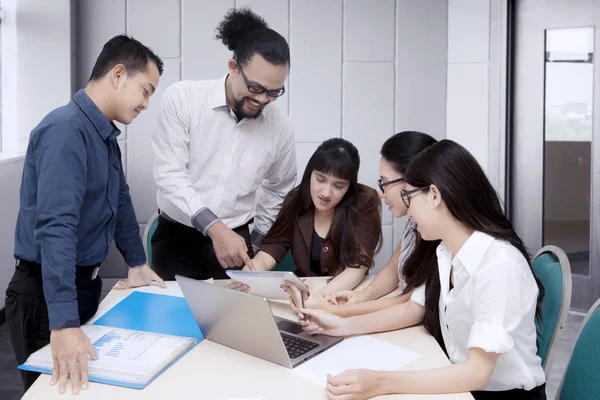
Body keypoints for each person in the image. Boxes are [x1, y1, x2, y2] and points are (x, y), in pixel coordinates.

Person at [299, 140, 547, 400]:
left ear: (435, 195)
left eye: (409, 197)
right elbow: (412, 307)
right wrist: (337, 326)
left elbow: (478, 373)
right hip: (461, 386)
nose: (409, 210)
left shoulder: (499, 265)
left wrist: (380, 382)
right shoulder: (446, 252)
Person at [5, 35, 167, 396]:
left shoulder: (104, 136)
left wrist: (137, 262)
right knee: (55, 393)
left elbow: (119, 201)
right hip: (47, 296)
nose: (146, 103)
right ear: (119, 74)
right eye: (145, 90)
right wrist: (62, 322)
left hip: (81, 288)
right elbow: (57, 227)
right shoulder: (65, 130)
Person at [151, 6, 296, 281]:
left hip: (237, 246)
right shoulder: (183, 99)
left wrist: (255, 242)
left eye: (274, 91)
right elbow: (169, 174)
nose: (263, 99)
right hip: (176, 241)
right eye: (256, 88)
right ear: (233, 67)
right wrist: (215, 228)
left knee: (229, 324)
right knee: (169, 322)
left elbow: (280, 190)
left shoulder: (280, 127)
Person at [281, 131, 438, 316]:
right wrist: (365, 294)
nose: (381, 193)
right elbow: (392, 271)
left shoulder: (434, 231)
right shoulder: (414, 225)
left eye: (385, 183)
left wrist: (331, 310)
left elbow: (411, 305)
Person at [237, 138, 382, 295]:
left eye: (338, 186)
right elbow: (272, 249)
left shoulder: (364, 203)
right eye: (320, 179)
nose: (326, 193)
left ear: (349, 186)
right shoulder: (296, 201)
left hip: (344, 295)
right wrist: (248, 276)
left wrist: (316, 300)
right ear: (309, 174)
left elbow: (356, 268)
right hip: (303, 295)